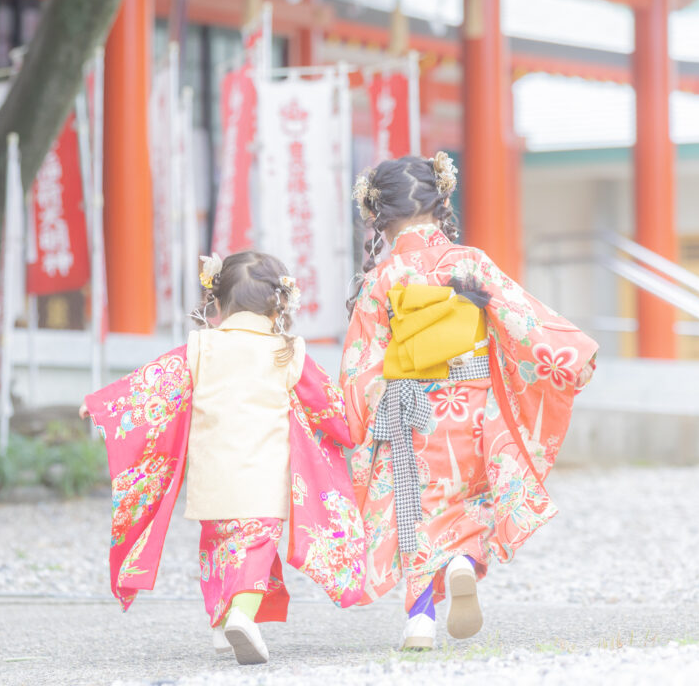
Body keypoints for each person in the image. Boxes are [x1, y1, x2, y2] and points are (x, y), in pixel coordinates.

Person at [340, 152, 597, 651]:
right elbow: (521, 319)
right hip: (472, 406)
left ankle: (419, 622)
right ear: (441, 200)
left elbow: (361, 365)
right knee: (473, 499)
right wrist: (572, 354)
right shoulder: (469, 261)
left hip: (408, 410)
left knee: (414, 510)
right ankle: (461, 561)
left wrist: (357, 416)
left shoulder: (380, 279)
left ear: (378, 214)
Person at [80, 251, 365, 666]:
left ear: (218, 302)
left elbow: (150, 387)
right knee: (255, 547)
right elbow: (329, 407)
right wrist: (357, 423)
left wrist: (103, 405)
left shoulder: (202, 346)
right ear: (279, 305)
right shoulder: (287, 352)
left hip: (212, 479)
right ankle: (242, 619)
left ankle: (220, 622)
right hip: (262, 477)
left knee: (219, 549)